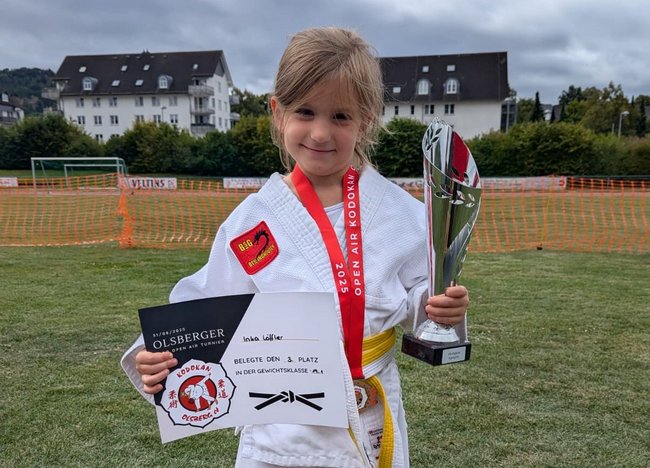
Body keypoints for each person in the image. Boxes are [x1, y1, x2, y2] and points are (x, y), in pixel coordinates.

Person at [121, 27, 469, 467]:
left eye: (340, 116)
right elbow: (206, 302)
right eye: (305, 111)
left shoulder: (402, 214)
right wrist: (158, 352)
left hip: (368, 414)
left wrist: (439, 308)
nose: (320, 133)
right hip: (278, 424)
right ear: (278, 112)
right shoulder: (253, 220)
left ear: (365, 121)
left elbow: (418, 297)